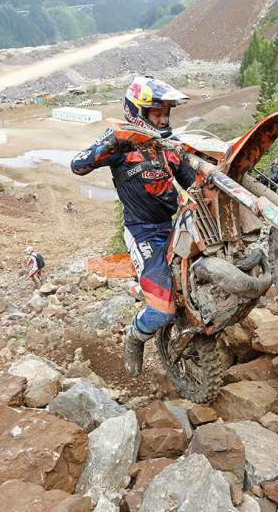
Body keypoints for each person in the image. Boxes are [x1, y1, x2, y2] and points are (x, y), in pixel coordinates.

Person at [71, 75, 195, 376]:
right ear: (137, 112)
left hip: (177, 224)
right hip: (144, 232)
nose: (163, 119)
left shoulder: (169, 145)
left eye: (167, 113)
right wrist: (113, 142)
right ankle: (136, 337)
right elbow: (78, 165)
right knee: (162, 308)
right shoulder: (121, 146)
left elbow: (192, 182)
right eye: (157, 113)